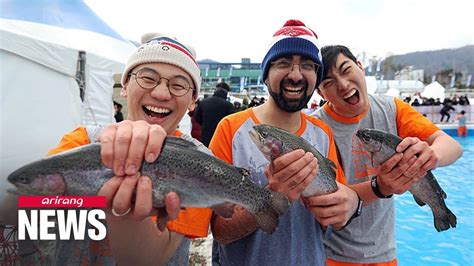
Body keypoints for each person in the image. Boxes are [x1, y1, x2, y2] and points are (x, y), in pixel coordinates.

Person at [45, 33, 212, 265]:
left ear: (193, 100)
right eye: (147, 78)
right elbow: (33, 208)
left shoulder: (201, 163)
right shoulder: (83, 141)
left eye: (178, 85)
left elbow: (154, 258)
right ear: (125, 86)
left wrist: (123, 215)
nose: (161, 93)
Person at [209, 20, 360, 265]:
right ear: (266, 74)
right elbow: (220, 231)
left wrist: (352, 205)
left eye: (308, 66)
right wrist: (272, 196)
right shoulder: (231, 129)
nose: (296, 75)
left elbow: (336, 215)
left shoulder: (323, 134)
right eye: (283, 63)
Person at [314, 45, 463, 265]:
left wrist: (431, 155)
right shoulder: (317, 129)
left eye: (346, 70)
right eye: (328, 83)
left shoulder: (391, 108)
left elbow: (453, 147)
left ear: (360, 67)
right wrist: (381, 186)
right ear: (320, 93)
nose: (343, 85)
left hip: (385, 252)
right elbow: (331, 198)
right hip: (332, 255)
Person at [194, 82, 235, 147]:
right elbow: (232, 122)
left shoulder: (204, 103)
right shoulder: (228, 105)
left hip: (205, 135)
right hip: (221, 137)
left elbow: (197, 118)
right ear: (226, 92)